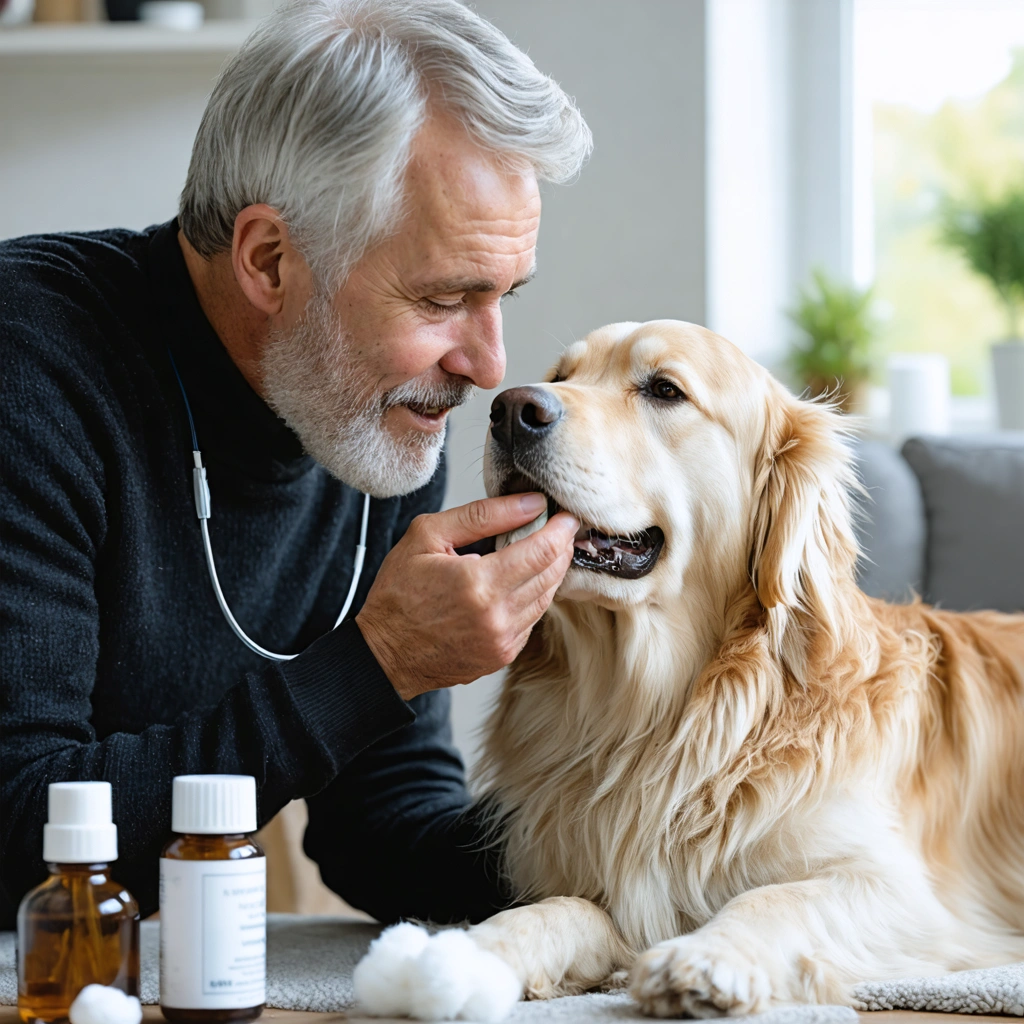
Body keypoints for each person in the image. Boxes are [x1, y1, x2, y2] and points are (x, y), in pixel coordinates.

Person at [0, 0, 591, 927]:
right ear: (269, 259)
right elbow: (22, 843)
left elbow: (382, 826)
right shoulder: (27, 363)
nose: (487, 366)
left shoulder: (368, 411)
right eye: (445, 297)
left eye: (503, 295)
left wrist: (637, 856)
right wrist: (382, 659)